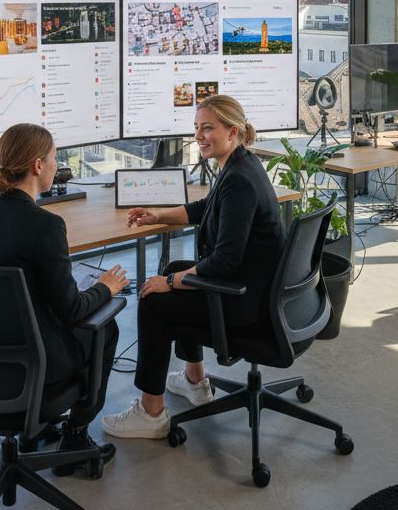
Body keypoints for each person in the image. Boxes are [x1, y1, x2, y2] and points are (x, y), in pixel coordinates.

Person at [102, 94, 286, 439]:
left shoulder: (239, 180)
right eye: (196, 128)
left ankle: (151, 412)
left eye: (207, 128)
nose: (199, 136)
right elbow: (205, 207)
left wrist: (169, 282)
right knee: (175, 265)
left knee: (154, 299)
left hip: (245, 302)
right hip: (258, 286)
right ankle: (195, 380)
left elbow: (224, 263)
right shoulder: (240, 164)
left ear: (232, 131)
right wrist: (158, 215)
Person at [0, 124, 129, 475]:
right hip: (31, 364)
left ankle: (39, 432)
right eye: (53, 159)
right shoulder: (46, 225)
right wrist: (106, 287)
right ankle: (76, 437)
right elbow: (73, 309)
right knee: (104, 329)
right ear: (37, 166)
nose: (56, 165)